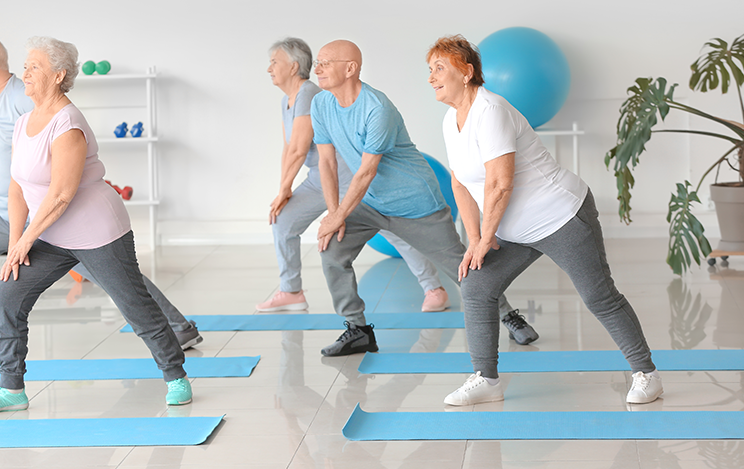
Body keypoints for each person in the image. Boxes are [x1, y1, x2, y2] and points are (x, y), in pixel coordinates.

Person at [0, 36, 201, 355]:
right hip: (1, 212)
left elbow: (66, 158)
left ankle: (177, 327)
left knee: (116, 277)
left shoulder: (25, 98)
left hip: (49, 216)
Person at [428, 35, 662, 406]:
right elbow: (460, 182)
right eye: (430, 69)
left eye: (440, 68)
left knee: (599, 296)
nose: (432, 77)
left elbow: (500, 184)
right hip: (512, 228)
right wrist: (474, 238)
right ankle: (486, 379)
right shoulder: (449, 120)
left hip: (560, 216)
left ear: (467, 72)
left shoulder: (491, 111)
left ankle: (646, 374)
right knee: (475, 286)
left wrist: (486, 237)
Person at [0, 37, 192, 414]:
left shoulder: (69, 125)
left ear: (58, 75)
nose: (24, 73)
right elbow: (17, 185)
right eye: (25, 65)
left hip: (96, 231)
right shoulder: (24, 122)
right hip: (50, 233)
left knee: (134, 304)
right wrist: (15, 243)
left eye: (34, 67)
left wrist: (27, 240)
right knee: (8, 295)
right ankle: (11, 388)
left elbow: (61, 194)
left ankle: (175, 375)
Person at [310, 40, 537, 357]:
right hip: (370, 203)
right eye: (317, 62)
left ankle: (509, 315)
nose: (317, 68)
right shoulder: (321, 105)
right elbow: (327, 162)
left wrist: (337, 215)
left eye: (325, 62)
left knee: (461, 265)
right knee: (332, 250)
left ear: (350, 68)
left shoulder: (377, 108)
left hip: (415, 203)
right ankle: (358, 330)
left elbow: (366, 170)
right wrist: (335, 213)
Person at [258, 37, 451, 314]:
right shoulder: (293, 102)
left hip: (353, 173)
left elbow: (301, 149)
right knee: (285, 220)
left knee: (393, 230)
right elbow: (291, 149)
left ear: (293, 66)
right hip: (320, 175)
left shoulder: (314, 94)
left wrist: (291, 192)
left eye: (274, 62)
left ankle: (434, 288)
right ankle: (292, 291)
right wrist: (284, 189)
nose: (269, 68)